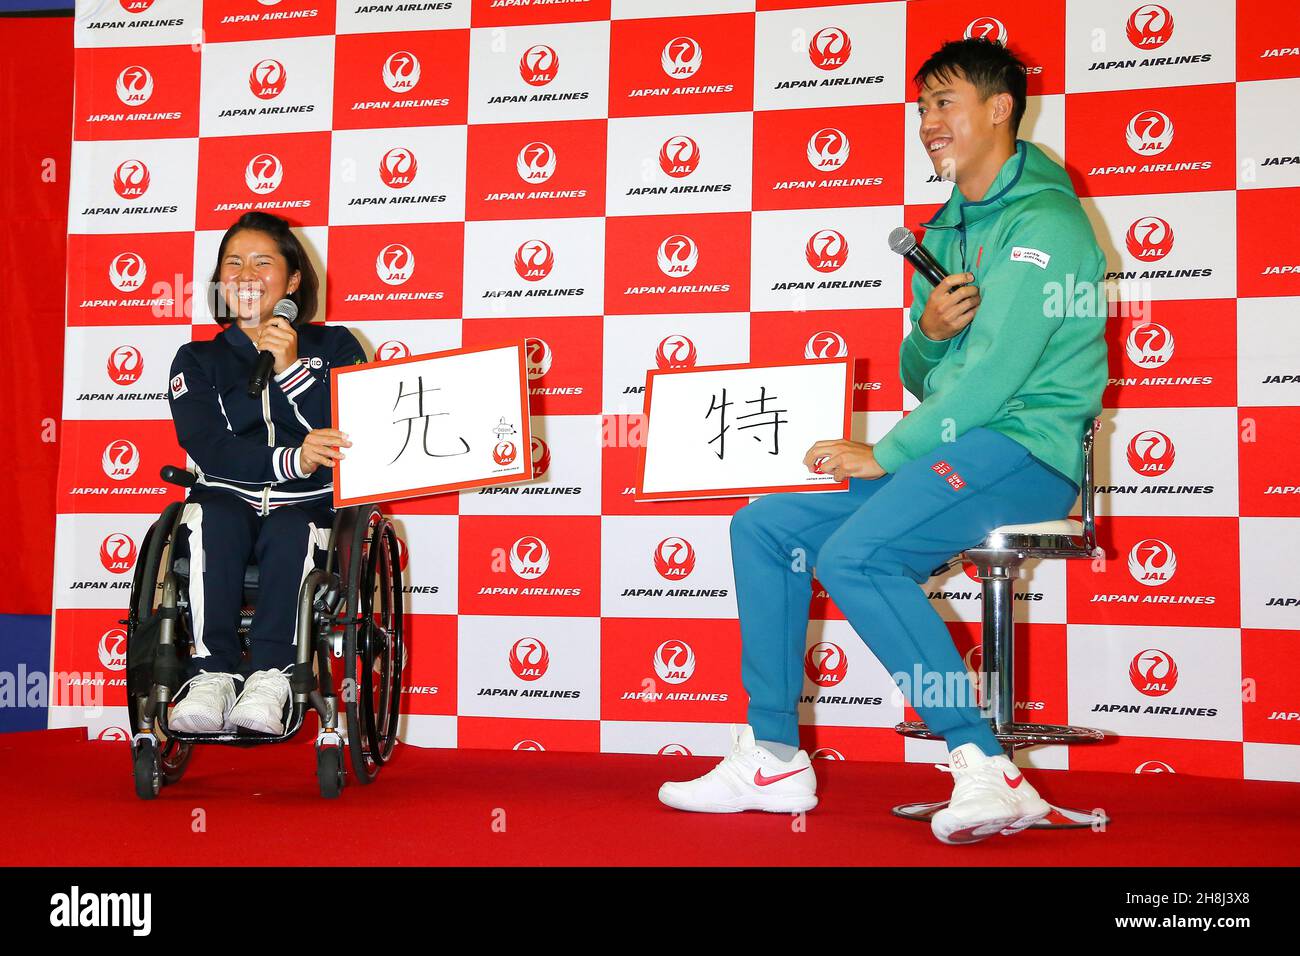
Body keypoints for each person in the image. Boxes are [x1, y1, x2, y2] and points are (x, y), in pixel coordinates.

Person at [659, 37, 1107, 844]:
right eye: (923, 106)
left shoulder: (1047, 220)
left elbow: (998, 376)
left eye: (946, 103)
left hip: (1027, 454)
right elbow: (925, 374)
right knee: (766, 526)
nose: (929, 122)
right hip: (960, 449)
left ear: (1000, 108)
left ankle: (986, 767)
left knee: (857, 555)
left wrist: (889, 454)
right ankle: (772, 757)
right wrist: (930, 334)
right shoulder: (942, 229)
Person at [166, 212, 365, 735]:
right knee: (212, 518)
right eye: (233, 263)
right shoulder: (197, 358)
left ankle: (272, 677)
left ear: (293, 280)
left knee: (293, 529)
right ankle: (212, 675)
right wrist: (290, 459)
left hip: (308, 504)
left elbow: (353, 432)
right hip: (228, 496)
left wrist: (294, 368)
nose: (245, 274)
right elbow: (209, 447)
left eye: (262, 261)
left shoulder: (337, 346)